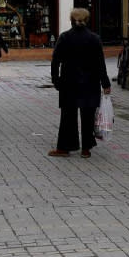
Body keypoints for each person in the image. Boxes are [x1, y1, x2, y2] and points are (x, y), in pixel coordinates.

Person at [49, 8, 110, 158]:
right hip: (90, 82)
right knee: (88, 115)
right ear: (87, 21)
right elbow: (100, 63)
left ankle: (65, 147)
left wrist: (55, 80)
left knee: (68, 116)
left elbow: (55, 61)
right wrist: (105, 83)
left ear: (71, 20)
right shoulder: (94, 39)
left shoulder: (64, 38)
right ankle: (86, 149)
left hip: (68, 82)